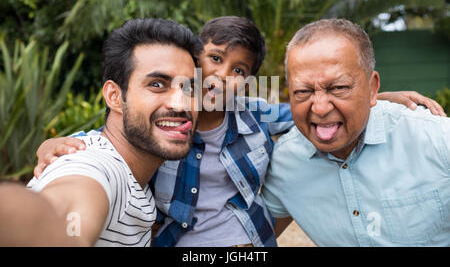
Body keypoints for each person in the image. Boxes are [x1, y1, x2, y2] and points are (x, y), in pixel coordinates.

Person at [33, 17, 445, 247]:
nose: (221, 77)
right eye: (213, 59)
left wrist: (377, 97)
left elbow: (308, 109)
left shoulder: (253, 116)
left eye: (239, 71)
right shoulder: (166, 132)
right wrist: (61, 145)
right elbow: (109, 149)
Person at [0, 18, 202, 246]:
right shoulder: (97, 167)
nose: (181, 103)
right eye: (157, 84)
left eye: (189, 87)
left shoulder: (139, 179)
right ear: (115, 97)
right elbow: (68, 209)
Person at [261, 18, 450, 246]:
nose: (320, 108)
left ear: (372, 87)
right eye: (303, 91)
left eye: (339, 88)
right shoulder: (285, 162)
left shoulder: (437, 140)